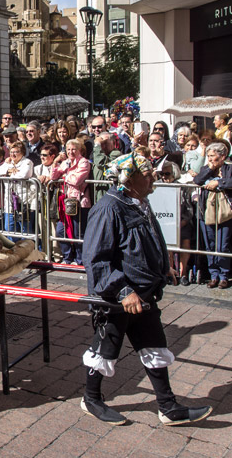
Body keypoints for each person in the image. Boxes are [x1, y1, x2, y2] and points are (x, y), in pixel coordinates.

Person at [81, 152, 212, 426]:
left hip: (145, 292)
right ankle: (91, 399)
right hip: (119, 298)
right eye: (147, 172)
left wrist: (163, 267)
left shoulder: (140, 202)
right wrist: (122, 291)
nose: (153, 176)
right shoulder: (109, 208)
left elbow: (151, 241)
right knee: (105, 350)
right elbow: (97, 259)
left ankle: (167, 406)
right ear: (129, 179)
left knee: (154, 345)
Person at [193, 142, 232, 289]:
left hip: (225, 211)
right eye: (208, 156)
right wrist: (209, 168)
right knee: (210, 244)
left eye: (212, 156)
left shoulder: (229, 168)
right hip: (207, 210)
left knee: (223, 244)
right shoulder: (206, 168)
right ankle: (213, 274)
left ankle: (224, 275)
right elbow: (197, 180)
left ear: (222, 157)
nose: (209, 159)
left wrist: (219, 182)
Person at [51, 139, 91, 265]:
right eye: (68, 149)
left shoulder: (84, 162)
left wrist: (64, 177)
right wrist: (56, 162)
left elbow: (77, 180)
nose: (70, 152)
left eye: (73, 149)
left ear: (79, 150)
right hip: (66, 201)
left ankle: (80, 260)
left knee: (78, 232)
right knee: (61, 230)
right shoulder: (66, 162)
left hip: (79, 201)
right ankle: (67, 258)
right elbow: (53, 177)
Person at [0, 141, 34, 238]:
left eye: (16, 152)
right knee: (9, 228)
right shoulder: (8, 164)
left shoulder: (27, 162)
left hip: (23, 202)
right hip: (9, 202)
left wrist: (8, 174)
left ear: (22, 152)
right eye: (11, 152)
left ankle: (27, 250)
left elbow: (24, 175)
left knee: (25, 230)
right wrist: (8, 170)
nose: (13, 154)